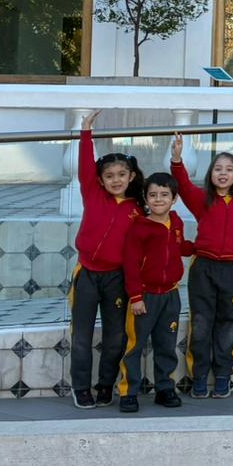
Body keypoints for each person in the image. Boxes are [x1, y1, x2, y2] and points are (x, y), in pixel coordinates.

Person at [70, 110, 144, 410]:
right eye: (109, 176)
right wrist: (86, 131)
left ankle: (105, 385)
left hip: (117, 279)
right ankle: (81, 387)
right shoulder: (93, 193)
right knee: (82, 336)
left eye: (121, 175)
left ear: (131, 177)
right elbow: (85, 165)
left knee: (115, 337)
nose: (116, 180)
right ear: (100, 180)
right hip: (87, 274)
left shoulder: (138, 209)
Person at [169, 139, 233, 399]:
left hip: (232, 271)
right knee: (201, 323)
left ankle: (223, 376)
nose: (222, 173)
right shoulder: (201, 199)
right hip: (203, 269)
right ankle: (198, 377)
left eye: (229, 169)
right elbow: (183, 185)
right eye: (218, 168)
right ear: (211, 173)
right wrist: (177, 160)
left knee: (227, 324)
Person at [118, 172, 193, 413]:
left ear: (174, 198)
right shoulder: (139, 228)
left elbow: (178, 247)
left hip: (170, 295)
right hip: (145, 296)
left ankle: (164, 388)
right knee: (135, 345)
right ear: (146, 198)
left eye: (164, 194)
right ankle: (128, 392)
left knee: (166, 344)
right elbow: (130, 265)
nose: (158, 199)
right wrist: (136, 297)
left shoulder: (176, 223)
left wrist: (199, 247)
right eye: (153, 195)